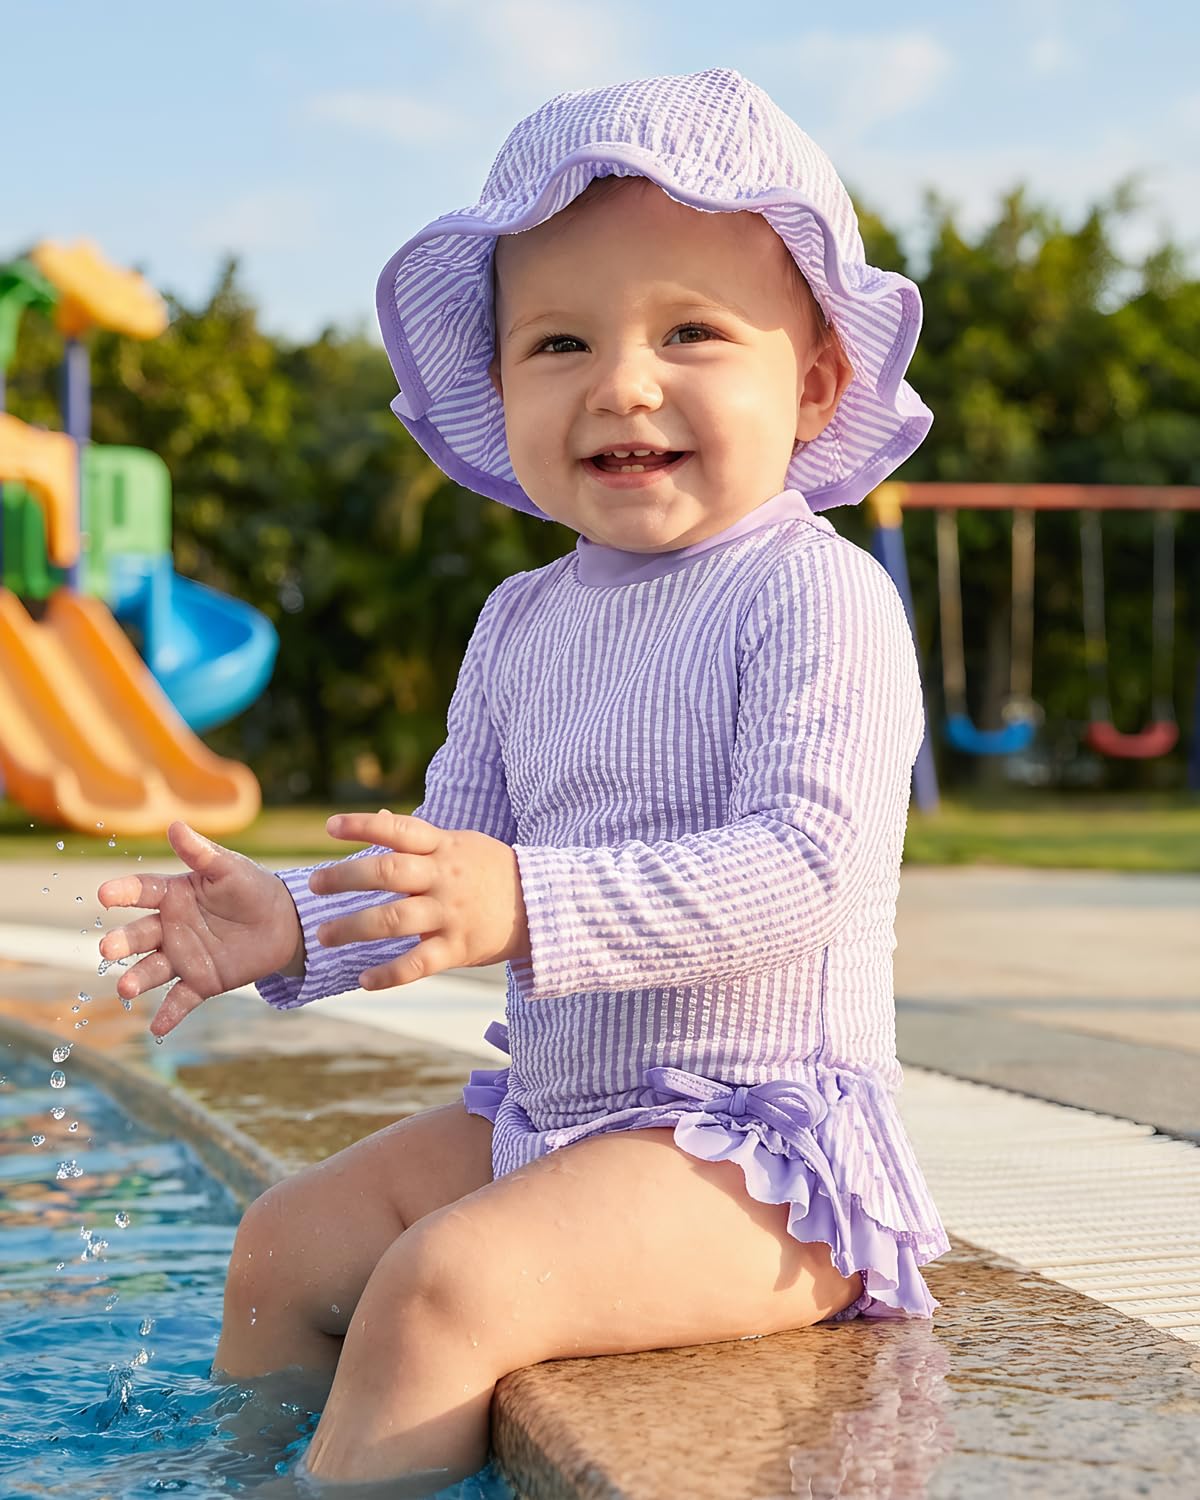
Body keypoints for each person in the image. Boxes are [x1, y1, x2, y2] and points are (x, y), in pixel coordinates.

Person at [97, 68, 950, 1493]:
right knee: (285, 1244)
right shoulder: (523, 622)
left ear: (813, 384)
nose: (623, 382)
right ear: (502, 391)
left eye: (691, 331)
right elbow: (453, 866)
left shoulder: (819, 598)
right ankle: (236, 1477)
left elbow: (809, 871)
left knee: (447, 1290)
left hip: (762, 1157)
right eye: (560, 341)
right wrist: (294, 923)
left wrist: (531, 903)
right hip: (557, 1115)